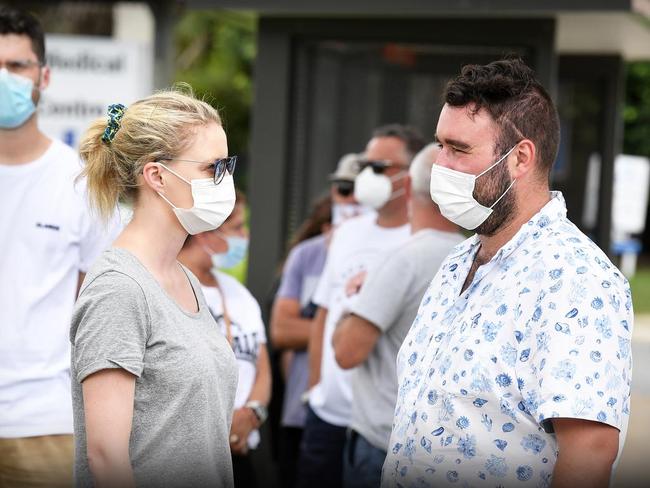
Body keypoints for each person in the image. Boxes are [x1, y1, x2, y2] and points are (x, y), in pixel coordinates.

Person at [383, 57, 633, 487]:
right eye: (440, 144)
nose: (440, 164)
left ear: (520, 159)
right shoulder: (459, 260)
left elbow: (589, 453)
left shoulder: (576, 279)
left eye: (459, 149)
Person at [70, 89, 239, 487]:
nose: (225, 180)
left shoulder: (185, 278)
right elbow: (106, 456)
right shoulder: (119, 289)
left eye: (228, 165)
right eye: (213, 167)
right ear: (157, 176)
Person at [0, 7, 118, 487]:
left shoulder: (79, 183)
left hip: (45, 424)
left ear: (44, 76)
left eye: (16, 66)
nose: (3, 78)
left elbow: (102, 307)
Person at [295, 125, 425, 488]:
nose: (369, 176)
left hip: (381, 427)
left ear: (411, 175)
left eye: (382, 167)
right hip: (327, 415)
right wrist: (315, 390)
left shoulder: (420, 241)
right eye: (367, 165)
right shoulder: (348, 233)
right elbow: (325, 310)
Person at [332, 143, 465, 488]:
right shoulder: (472, 256)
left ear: (407, 187)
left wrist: (356, 301)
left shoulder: (401, 260)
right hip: (442, 447)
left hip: (381, 444)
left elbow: (347, 353)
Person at [272, 149, 363, 488]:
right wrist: (352, 328)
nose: (351, 197)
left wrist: (326, 329)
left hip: (360, 420)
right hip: (302, 412)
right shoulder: (306, 255)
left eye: (358, 188)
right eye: (342, 188)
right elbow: (281, 330)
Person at [178, 190, 272, 488]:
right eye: (237, 227)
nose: (245, 235)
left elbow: (262, 368)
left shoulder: (238, 293)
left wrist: (250, 414)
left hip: (240, 450)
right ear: (206, 232)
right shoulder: (168, 286)